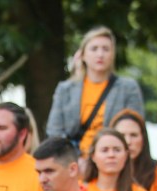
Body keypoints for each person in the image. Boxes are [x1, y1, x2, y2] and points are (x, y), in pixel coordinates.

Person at [46, 27, 145, 155]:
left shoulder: (128, 88)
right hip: (75, 158)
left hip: (113, 157)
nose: (100, 54)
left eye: (106, 49)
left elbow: (135, 128)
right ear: (83, 55)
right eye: (94, 49)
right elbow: (54, 130)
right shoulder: (65, 89)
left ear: (112, 55)